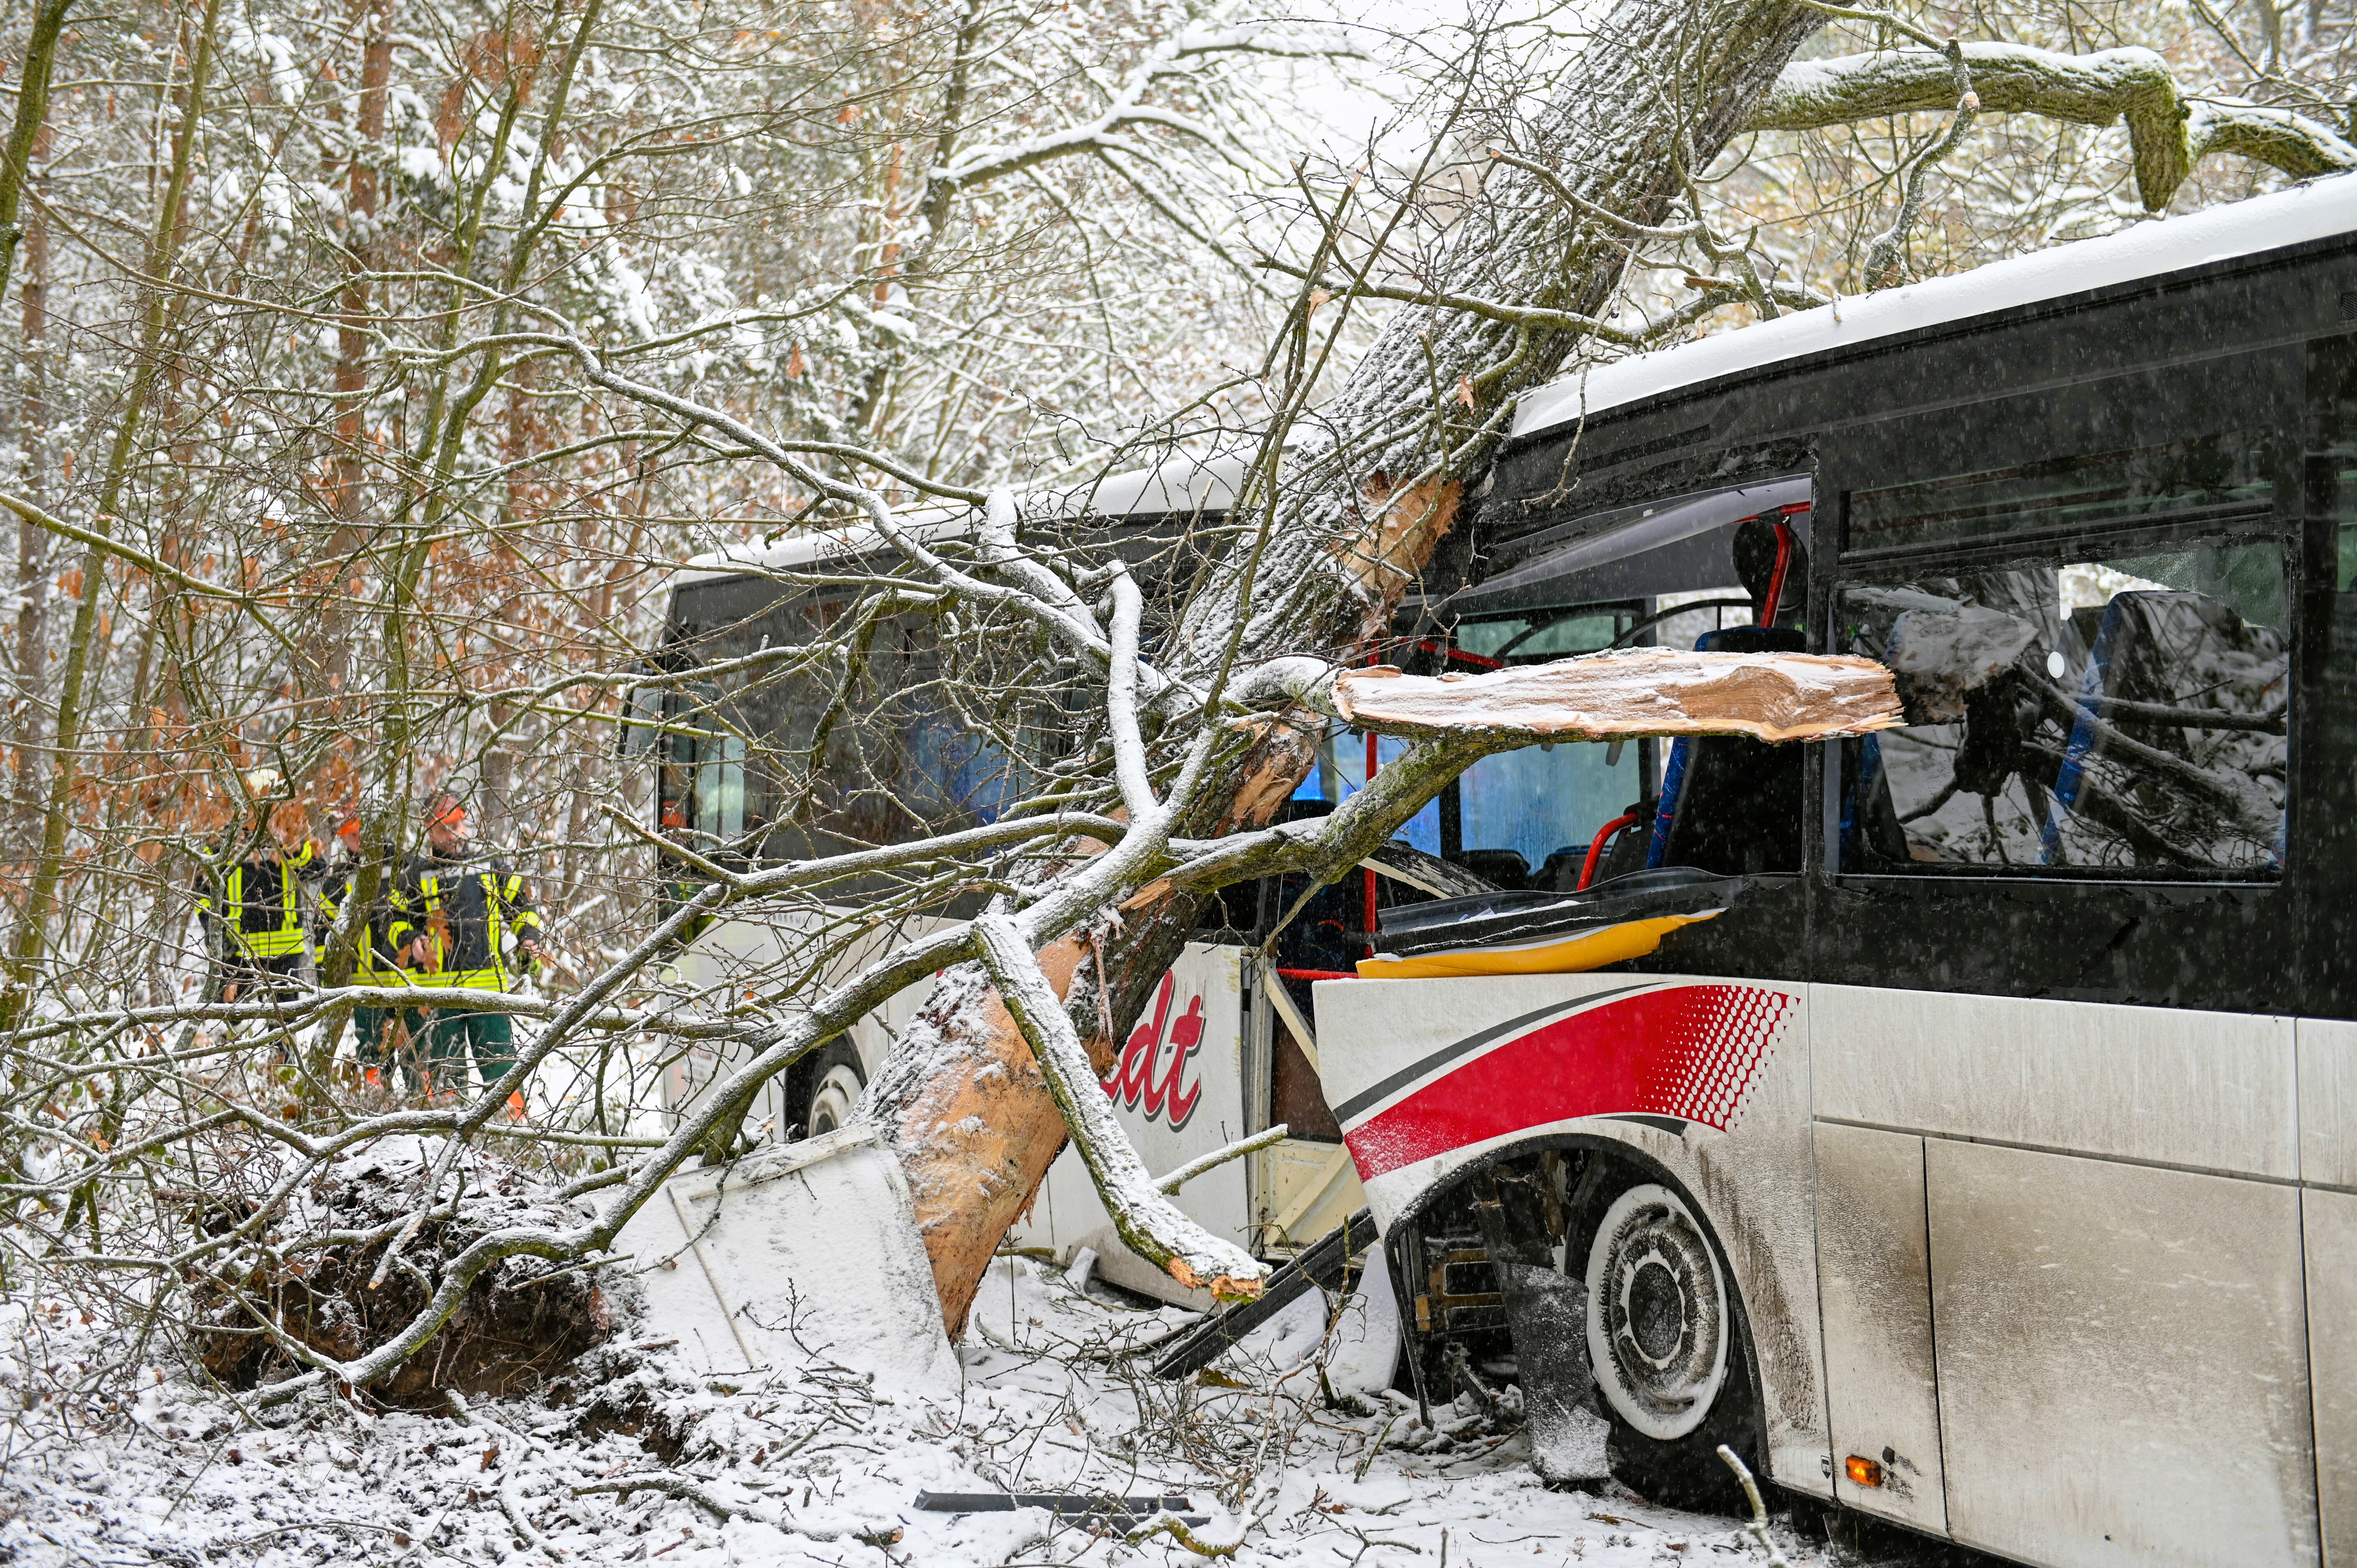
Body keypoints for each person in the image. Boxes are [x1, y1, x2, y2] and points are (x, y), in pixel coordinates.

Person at [387, 792, 544, 1111]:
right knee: (445, 1084)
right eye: (447, 828)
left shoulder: (489, 865)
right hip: (438, 998)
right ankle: (446, 1143)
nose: (455, 834)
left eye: (459, 825)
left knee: (503, 1077)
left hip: (489, 993)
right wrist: (411, 940)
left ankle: (516, 1134)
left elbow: (523, 906)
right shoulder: (415, 874)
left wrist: (528, 937)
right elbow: (393, 920)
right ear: (429, 831)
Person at [195, 769, 322, 1005]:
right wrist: (216, 933)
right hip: (237, 952)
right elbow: (201, 894)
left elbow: (318, 867)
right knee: (234, 1027)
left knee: (284, 1027)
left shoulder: (290, 840)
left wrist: (290, 842)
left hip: (284, 952)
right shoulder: (224, 843)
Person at [317, 813, 412, 1090]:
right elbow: (326, 930)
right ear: (343, 839)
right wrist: (330, 976)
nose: (357, 840)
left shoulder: (402, 863)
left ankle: (423, 1098)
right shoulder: (338, 879)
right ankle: (375, 1098)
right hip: (365, 979)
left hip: (406, 977)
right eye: (351, 836)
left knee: (413, 1041)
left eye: (361, 833)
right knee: (372, 1047)